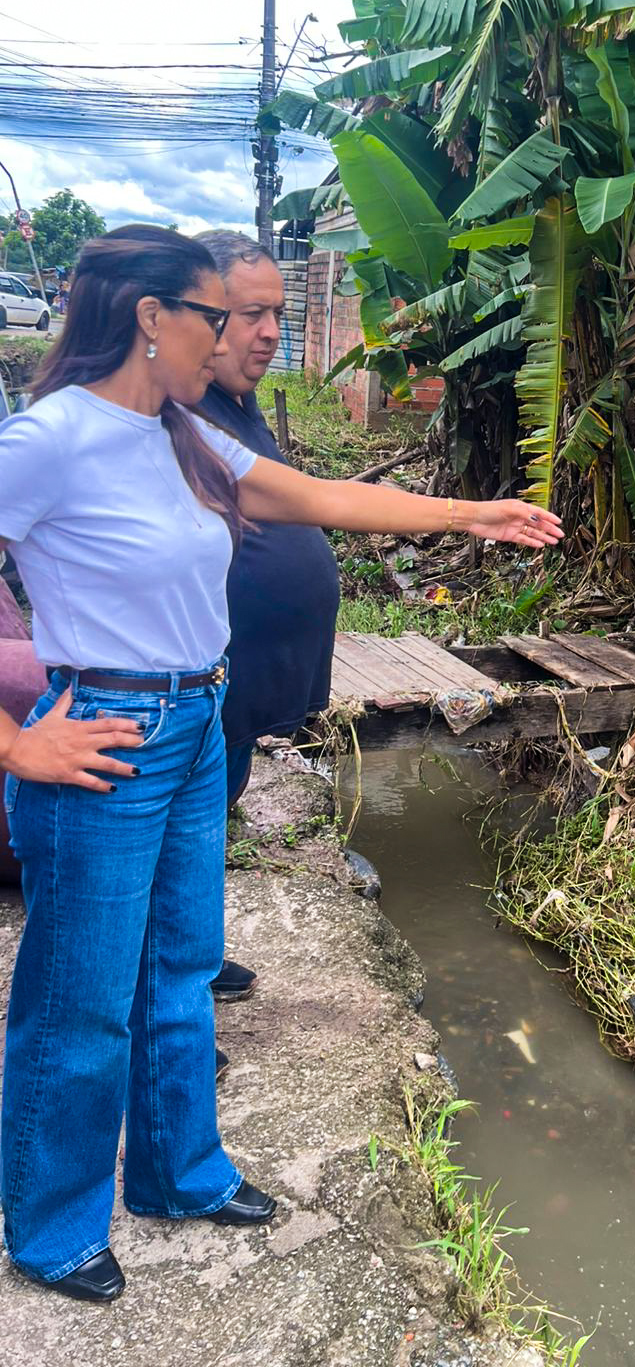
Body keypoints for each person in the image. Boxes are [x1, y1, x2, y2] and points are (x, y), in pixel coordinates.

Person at [0, 225, 561, 1304]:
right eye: (216, 317)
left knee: (178, 968)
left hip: (194, 720)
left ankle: (179, 1173)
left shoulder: (181, 434)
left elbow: (319, 497)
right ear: (150, 316)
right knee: (82, 998)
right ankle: (52, 1225)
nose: (232, 337)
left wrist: (471, 513)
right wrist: (20, 740)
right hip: (104, 737)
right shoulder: (50, 438)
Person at [190, 230, 341, 1020]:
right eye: (251, 314)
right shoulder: (174, 416)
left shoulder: (236, 403)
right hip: (188, 688)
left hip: (239, 690)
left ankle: (194, 961)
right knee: (169, 854)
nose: (269, 333)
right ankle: (169, 1011)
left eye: (277, 314)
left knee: (209, 827)